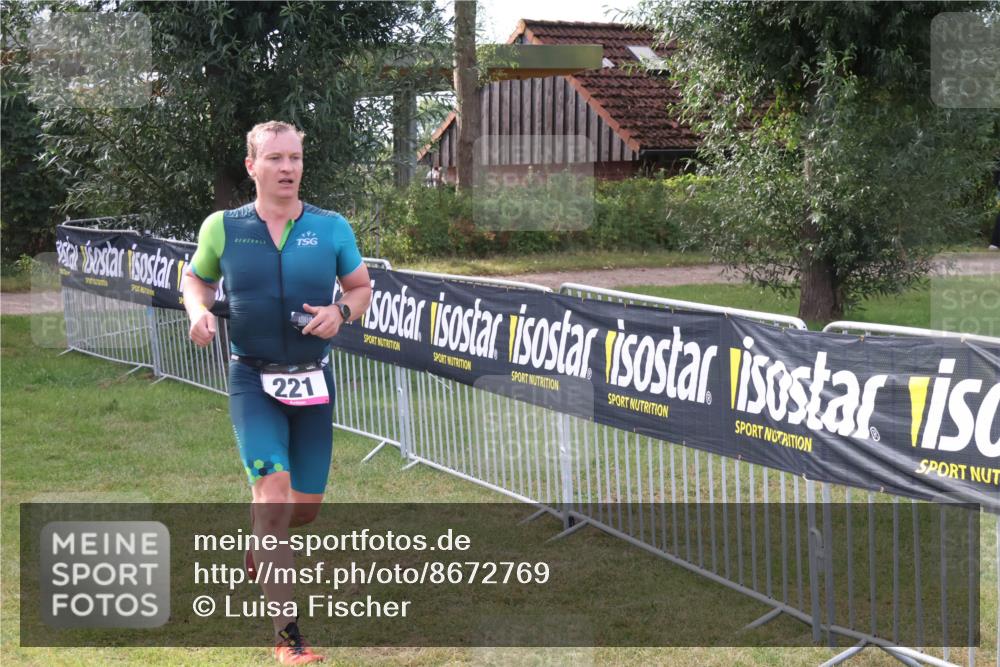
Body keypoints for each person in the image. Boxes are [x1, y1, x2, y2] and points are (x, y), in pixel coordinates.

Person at [182, 120, 372, 664]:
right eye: (275, 159)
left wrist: (341, 311)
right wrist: (198, 311)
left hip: (313, 379)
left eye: (294, 158)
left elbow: (360, 288)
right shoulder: (224, 226)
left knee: (303, 510)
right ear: (252, 166)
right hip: (251, 379)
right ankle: (289, 640)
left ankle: (261, 540)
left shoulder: (332, 228)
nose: (287, 168)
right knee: (273, 497)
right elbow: (196, 278)